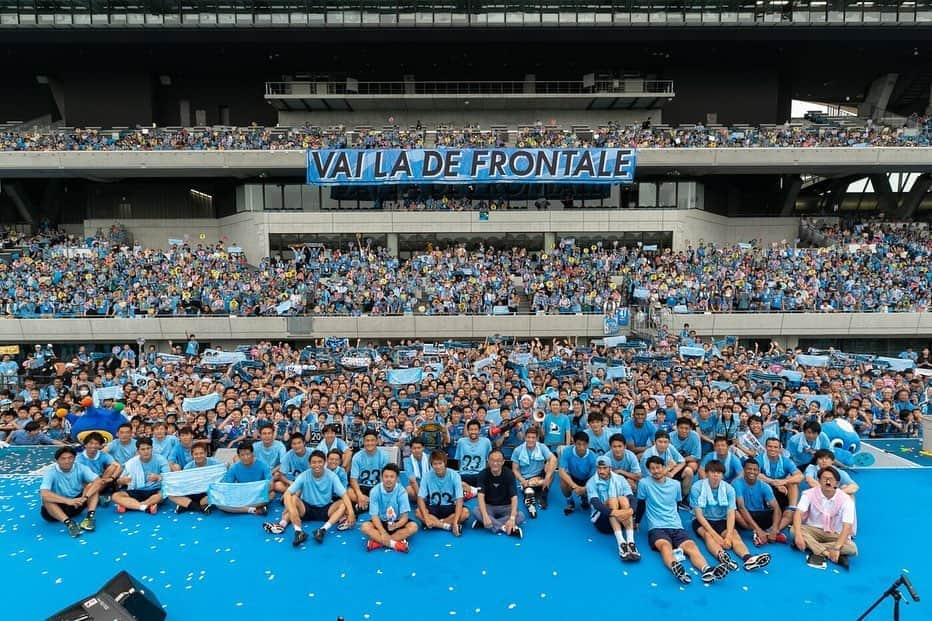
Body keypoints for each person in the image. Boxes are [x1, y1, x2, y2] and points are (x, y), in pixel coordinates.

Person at [636, 456, 729, 585]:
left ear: (664, 468)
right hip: (656, 527)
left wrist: (676, 521)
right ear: (648, 470)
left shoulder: (675, 485)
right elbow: (641, 503)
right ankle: (676, 567)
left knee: (691, 546)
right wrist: (637, 521)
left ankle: (707, 569)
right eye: (652, 468)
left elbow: (677, 504)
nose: (656, 471)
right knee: (665, 546)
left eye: (658, 467)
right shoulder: (644, 483)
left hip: (676, 526)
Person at [690, 460, 771, 573]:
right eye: (712, 472)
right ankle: (723, 557)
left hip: (721, 519)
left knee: (735, 535)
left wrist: (728, 535)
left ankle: (748, 559)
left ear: (722, 475)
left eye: (718, 473)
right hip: (703, 520)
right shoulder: (697, 488)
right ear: (707, 473)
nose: (715, 476)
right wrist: (716, 536)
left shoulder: (729, 489)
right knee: (708, 535)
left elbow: (731, 513)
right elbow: (698, 515)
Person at [264, 450, 354, 547]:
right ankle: (298, 532)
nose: (317, 465)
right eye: (314, 462)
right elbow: (287, 494)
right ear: (309, 464)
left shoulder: (332, 476)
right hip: (306, 509)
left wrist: (351, 512)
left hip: (326, 509)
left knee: (343, 503)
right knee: (293, 499)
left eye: (320, 462)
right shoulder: (303, 475)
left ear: (324, 463)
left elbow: (344, 495)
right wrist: (291, 510)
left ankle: (322, 530)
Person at [792, 466, 858, 570]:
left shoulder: (846, 500)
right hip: (814, 530)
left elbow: (847, 527)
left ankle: (809, 545)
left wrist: (837, 547)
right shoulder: (809, 494)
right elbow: (798, 513)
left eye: (831, 479)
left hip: (835, 534)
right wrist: (798, 536)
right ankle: (826, 553)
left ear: (837, 483)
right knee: (794, 530)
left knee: (852, 548)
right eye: (824, 478)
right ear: (819, 481)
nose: (827, 481)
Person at [586, 455, 639, 561]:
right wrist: (616, 513)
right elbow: (596, 503)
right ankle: (621, 544)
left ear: (610, 468)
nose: (601, 471)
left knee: (624, 499)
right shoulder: (591, 482)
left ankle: (630, 542)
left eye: (604, 468)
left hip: (622, 519)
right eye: (599, 468)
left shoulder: (620, 479)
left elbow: (631, 498)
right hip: (603, 521)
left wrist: (631, 510)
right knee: (612, 501)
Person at [39, 446, 101, 537]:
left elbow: (98, 481)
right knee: (47, 499)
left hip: (77, 504)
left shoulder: (81, 467)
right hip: (57, 509)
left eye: (70, 458)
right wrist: (68, 501)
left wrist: (85, 498)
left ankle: (89, 518)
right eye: (63, 458)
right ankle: (69, 524)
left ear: (74, 458)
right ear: (57, 460)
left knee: (93, 486)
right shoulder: (50, 472)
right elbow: (44, 494)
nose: (67, 461)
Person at [360, 464, 419, 553]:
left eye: (392, 477)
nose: (388, 479)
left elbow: (404, 517)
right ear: (381, 478)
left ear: (397, 478)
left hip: (397, 522)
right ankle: (395, 544)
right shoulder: (374, 491)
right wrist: (383, 531)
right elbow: (374, 516)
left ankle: (378, 543)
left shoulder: (402, 491)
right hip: (381, 522)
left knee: (413, 527)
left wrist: (396, 525)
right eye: (386, 476)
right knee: (364, 527)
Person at [733, 459, 788, 545]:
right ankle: (759, 532)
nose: (752, 472)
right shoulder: (737, 484)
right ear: (744, 470)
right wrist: (758, 530)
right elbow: (741, 507)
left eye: (755, 470)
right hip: (745, 515)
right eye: (749, 469)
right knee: (734, 512)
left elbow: (776, 507)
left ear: (758, 472)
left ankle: (769, 533)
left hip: (760, 514)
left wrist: (774, 528)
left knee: (779, 511)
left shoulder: (764, 485)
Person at [415, 450, 469, 536]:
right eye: (435, 464)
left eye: (440, 463)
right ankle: (446, 526)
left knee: (465, 513)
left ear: (445, 463)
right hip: (434, 507)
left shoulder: (454, 475)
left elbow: (459, 499)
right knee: (418, 512)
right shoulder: (426, 476)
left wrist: (455, 522)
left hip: (450, 507)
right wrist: (425, 517)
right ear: (431, 465)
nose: (438, 467)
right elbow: (420, 498)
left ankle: (436, 524)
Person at [472, 448, 523, 538]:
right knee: (476, 511)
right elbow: (480, 496)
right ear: (488, 461)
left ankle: (485, 523)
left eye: (498, 460)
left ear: (503, 461)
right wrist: (485, 515)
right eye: (492, 460)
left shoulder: (509, 474)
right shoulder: (482, 474)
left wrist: (511, 518)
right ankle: (504, 528)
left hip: (506, 507)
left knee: (521, 516)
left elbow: (514, 497)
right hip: (489, 507)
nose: (495, 463)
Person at [112, 437, 170, 514]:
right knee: (115, 496)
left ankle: (131, 505)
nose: (146, 451)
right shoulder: (132, 462)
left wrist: (158, 477)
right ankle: (144, 507)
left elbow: (168, 477)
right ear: (138, 451)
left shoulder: (161, 459)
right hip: (136, 490)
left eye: (148, 448)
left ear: (152, 448)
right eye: (143, 449)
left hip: (154, 490)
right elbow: (119, 481)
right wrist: (122, 481)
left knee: (162, 495)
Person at [212, 440, 273, 515]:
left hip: (258, 495)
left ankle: (239, 508)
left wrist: (264, 490)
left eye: (248, 454)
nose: (245, 457)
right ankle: (251, 509)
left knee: (272, 494)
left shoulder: (263, 465)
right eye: (242, 455)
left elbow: (270, 484)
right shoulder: (234, 467)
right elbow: (227, 486)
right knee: (219, 504)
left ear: (252, 454)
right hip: (241, 494)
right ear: (238, 456)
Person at [511, 426, 557, 519]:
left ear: (536, 438)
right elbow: (515, 469)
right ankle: (530, 503)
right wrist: (522, 480)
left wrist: (547, 477)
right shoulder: (518, 450)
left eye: (533, 438)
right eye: (528, 437)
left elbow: (553, 459)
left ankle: (543, 494)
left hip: (541, 476)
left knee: (551, 466)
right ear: (525, 437)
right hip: (527, 479)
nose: (530, 440)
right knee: (529, 492)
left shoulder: (542, 447)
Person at [640, 430, 692, 510]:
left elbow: (682, 461)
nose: (663, 445)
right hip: (652, 481)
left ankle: (682, 498)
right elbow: (653, 477)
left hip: (667, 474)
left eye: (665, 442)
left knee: (688, 471)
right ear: (655, 442)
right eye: (660, 442)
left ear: (669, 442)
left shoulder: (670, 447)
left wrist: (672, 473)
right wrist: (668, 468)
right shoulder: (647, 456)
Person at [755, 437, 803, 518]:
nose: (772, 449)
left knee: (793, 483)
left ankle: (792, 509)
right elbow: (755, 474)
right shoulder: (759, 459)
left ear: (780, 449)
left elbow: (800, 476)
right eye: (770, 446)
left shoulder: (785, 461)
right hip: (765, 486)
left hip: (782, 487)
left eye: (775, 447)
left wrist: (784, 481)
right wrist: (774, 483)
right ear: (765, 447)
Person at [168, 443, 221, 514]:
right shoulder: (188, 467)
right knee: (170, 495)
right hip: (192, 492)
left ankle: (186, 505)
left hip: (208, 493)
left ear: (206, 453)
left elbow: (222, 480)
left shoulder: (216, 463)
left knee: (218, 493)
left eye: (201, 453)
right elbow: (183, 483)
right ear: (192, 455)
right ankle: (200, 507)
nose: (199, 456)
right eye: (196, 454)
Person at [75, 432, 121, 505]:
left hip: (100, 482)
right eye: (91, 443)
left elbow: (118, 466)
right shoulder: (78, 459)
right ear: (85, 444)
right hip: (86, 483)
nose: (93, 446)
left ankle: (91, 497)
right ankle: (95, 498)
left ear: (100, 445)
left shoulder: (103, 455)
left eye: (96, 443)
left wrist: (112, 478)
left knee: (113, 466)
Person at [558, 431, 597, 515]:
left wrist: (584, 488)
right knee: (563, 481)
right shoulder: (567, 451)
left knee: (595, 486)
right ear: (574, 443)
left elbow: (594, 477)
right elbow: (561, 471)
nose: (582, 447)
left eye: (584, 444)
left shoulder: (593, 457)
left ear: (588, 444)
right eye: (579, 444)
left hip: (587, 479)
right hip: (573, 477)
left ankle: (584, 498)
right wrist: (574, 486)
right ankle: (570, 502)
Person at [350, 430, 389, 513]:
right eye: (367, 441)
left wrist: (381, 491)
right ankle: (372, 504)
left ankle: (364, 505)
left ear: (377, 441)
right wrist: (359, 495)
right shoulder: (357, 457)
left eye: (372, 440)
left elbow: (385, 477)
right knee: (349, 492)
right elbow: (353, 479)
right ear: (363, 442)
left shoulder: (384, 456)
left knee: (391, 490)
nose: (369, 443)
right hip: (362, 487)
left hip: (377, 487)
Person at [454, 419, 492, 499]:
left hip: (479, 474)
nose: (473, 432)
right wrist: (461, 471)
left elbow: (489, 460)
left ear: (479, 431)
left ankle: (470, 490)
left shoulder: (486, 442)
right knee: (454, 483)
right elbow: (459, 460)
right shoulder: (461, 442)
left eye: (475, 430)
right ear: (467, 431)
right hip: (464, 474)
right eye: (471, 430)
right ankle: (474, 491)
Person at [403, 436, 431, 502]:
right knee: (409, 490)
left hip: (429, 485)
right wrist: (420, 497)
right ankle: (422, 500)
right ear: (411, 449)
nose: (417, 450)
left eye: (419, 448)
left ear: (423, 448)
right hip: (417, 487)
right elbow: (412, 481)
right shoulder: (407, 461)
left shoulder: (429, 458)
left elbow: (434, 476)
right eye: (414, 448)